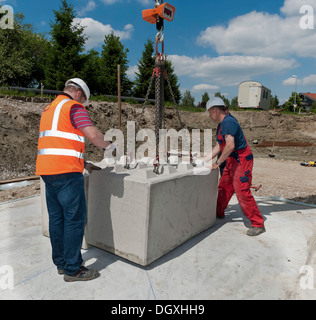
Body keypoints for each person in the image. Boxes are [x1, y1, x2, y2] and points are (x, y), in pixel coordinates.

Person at [36, 78, 115, 281]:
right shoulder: (74, 107)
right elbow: (93, 134)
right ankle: (74, 270)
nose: (83, 104)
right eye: (84, 100)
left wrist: (85, 163)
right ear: (79, 93)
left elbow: (59, 142)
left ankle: (62, 264)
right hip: (66, 173)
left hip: (48, 170)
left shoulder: (49, 109)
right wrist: (109, 146)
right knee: (74, 219)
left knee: (57, 219)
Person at [204, 97, 265, 236]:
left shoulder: (229, 122)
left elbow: (230, 145)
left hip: (241, 161)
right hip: (232, 160)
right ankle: (218, 214)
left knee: (242, 192)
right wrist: (205, 159)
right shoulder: (222, 125)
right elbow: (220, 145)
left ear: (214, 110)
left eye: (209, 112)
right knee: (224, 187)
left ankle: (258, 224)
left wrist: (217, 164)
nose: (209, 115)